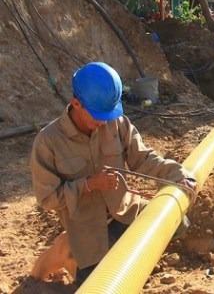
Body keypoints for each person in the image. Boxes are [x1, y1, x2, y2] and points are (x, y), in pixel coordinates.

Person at [30, 62, 197, 285]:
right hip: (88, 232)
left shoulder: (115, 123)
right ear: (76, 104)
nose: (104, 121)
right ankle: (65, 250)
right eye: (98, 114)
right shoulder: (48, 142)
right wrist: (89, 184)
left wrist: (178, 174)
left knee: (179, 223)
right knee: (100, 285)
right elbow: (48, 199)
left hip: (125, 210)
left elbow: (144, 157)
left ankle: (94, 246)